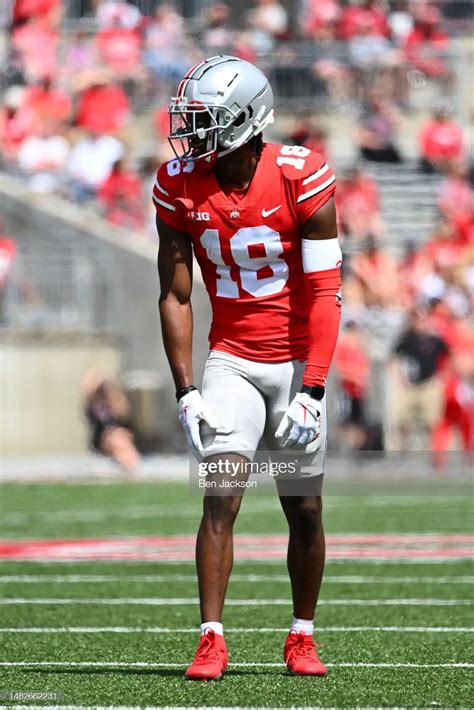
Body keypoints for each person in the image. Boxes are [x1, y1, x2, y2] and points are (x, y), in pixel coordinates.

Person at [155, 56, 341, 680]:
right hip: (231, 361)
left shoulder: (301, 175)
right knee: (220, 497)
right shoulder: (179, 184)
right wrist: (186, 389)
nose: (192, 132)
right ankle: (211, 638)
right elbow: (177, 294)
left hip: (294, 364)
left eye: (205, 119)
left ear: (246, 121)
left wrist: (312, 388)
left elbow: (324, 292)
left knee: (304, 508)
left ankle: (302, 635)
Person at [82, 371, 140, 474]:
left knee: (120, 439)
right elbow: (87, 389)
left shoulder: (114, 402)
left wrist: (110, 390)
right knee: (116, 440)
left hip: (119, 434)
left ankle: (129, 464)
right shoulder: (94, 404)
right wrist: (98, 381)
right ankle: (129, 467)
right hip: (102, 437)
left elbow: (123, 414)